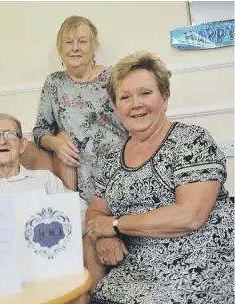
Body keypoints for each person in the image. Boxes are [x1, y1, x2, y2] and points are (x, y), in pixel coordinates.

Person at [84, 52, 234, 303]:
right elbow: (95, 212)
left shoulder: (191, 141)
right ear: (115, 106)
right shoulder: (110, 159)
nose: (136, 104)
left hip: (197, 270)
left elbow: (189, 216)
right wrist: (102, 235)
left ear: (164, 97)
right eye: (125, 97)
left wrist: (115, 225)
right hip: (134, 275)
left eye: (145, 93)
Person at [32, 15, 127, 211]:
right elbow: (40, 130)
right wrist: (57, 143)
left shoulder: (113, 77)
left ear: (93, 46)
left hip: (121, 172)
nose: (75, 48)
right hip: (80, 184)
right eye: (69, 42)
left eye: (82, 41)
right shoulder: (54, 83)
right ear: (61, 48)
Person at [0, 113, 87, 235]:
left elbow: (82, 212)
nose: (2, 141)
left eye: (10, 134)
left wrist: (59, 235)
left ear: (22, 145)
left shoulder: (44, 179)